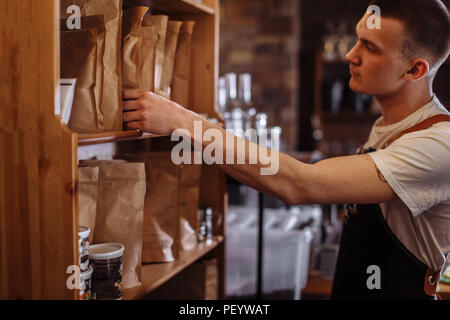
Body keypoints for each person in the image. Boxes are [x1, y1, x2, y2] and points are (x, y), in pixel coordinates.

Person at [122, 0, 450, 299]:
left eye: (370, 47)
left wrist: (183, 121)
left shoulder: (438, 143)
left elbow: (300, 184)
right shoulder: (388, 125)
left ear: (414, 70)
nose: (351, 54)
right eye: (356, 39)